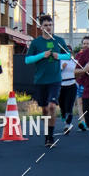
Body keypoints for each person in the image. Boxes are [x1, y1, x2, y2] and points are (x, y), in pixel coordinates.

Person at [25, 14, 70, 147]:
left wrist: (58, 55)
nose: (48, 27)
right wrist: (41, 55)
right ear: (40, 27)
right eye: (45, 25)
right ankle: (47, 134)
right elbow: (27, 60)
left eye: (50, 25)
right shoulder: (36, 42)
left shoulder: (59, 40)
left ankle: (50, 138)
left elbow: (68, 56)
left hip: (55, 80)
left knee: (51, 106)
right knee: (44, 110)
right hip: (40, 80)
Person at [58, 46, 77, 135]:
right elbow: (55, 73)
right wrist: (61, 68)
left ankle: (67, 125)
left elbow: (79, 72)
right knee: (62, 106)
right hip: (61, 86)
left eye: (69, 51)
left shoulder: (74, 62)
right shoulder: (59, 61)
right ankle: (63, 115)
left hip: (72, 85)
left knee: (69, 105)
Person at [74, 35, 89, 132]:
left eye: (88, 44)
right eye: (84, 43)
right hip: (81, 82)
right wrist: (83, 70)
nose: (85, 45)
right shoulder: (78, 55)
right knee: (80, 102)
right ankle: (82, 122)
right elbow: (75, 69)